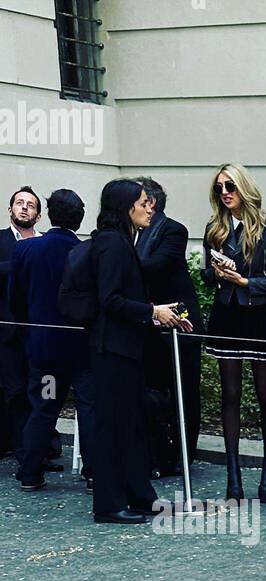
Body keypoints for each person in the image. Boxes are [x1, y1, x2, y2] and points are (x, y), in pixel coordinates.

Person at [86, 178, 191, 523]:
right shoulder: (114, 244)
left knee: (131, 425)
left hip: (124, 348)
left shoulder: (119, 241)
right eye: (144, 202)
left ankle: (140, 496)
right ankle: (109, 504)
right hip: (113, 349)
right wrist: (151, 312)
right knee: (114, 427)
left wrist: (159, 314)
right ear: (126, 206)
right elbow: (110, 299)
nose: (150, 207)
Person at [201, 163, 266, 503]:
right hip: (226, 316)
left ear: (244, 189)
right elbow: (205, 277)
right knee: (230, 395)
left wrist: (246, 281)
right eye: (219, 188)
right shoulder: (215, 228)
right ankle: (234, 477)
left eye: (230, 186)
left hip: (260, 317)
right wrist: (215, 270)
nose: (225, 193)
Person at [9, 189, 94, 493]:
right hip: (81, 349)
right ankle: (94, 473)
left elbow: (15, 299)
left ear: (49, 213)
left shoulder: (28, 250)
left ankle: (31, 471)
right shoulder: (86, 251)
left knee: (44, 406)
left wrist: (30, 330)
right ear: (79, 217)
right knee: (87, 407)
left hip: (44, 348)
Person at [135, 176, 203, 478]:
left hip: (179, 324)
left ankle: (181, 457)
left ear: (150, 202)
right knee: (152, 391)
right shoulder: (132, 232)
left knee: (184, 392)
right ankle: (155, 453)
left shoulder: (173, 230)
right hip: (149, 323)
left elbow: (156, 266)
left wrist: (116, 263)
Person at [1, 186, 42, 462]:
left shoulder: (45, 241)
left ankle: (38, 448)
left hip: (40, 330)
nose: (24, 207)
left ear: (38, 215)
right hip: (7, 328)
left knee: (40, 391)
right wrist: (21, 262)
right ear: (10, 210)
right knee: (13, 390)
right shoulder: (2, 240)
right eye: (19, 203)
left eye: (30, 205)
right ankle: (19, 448)